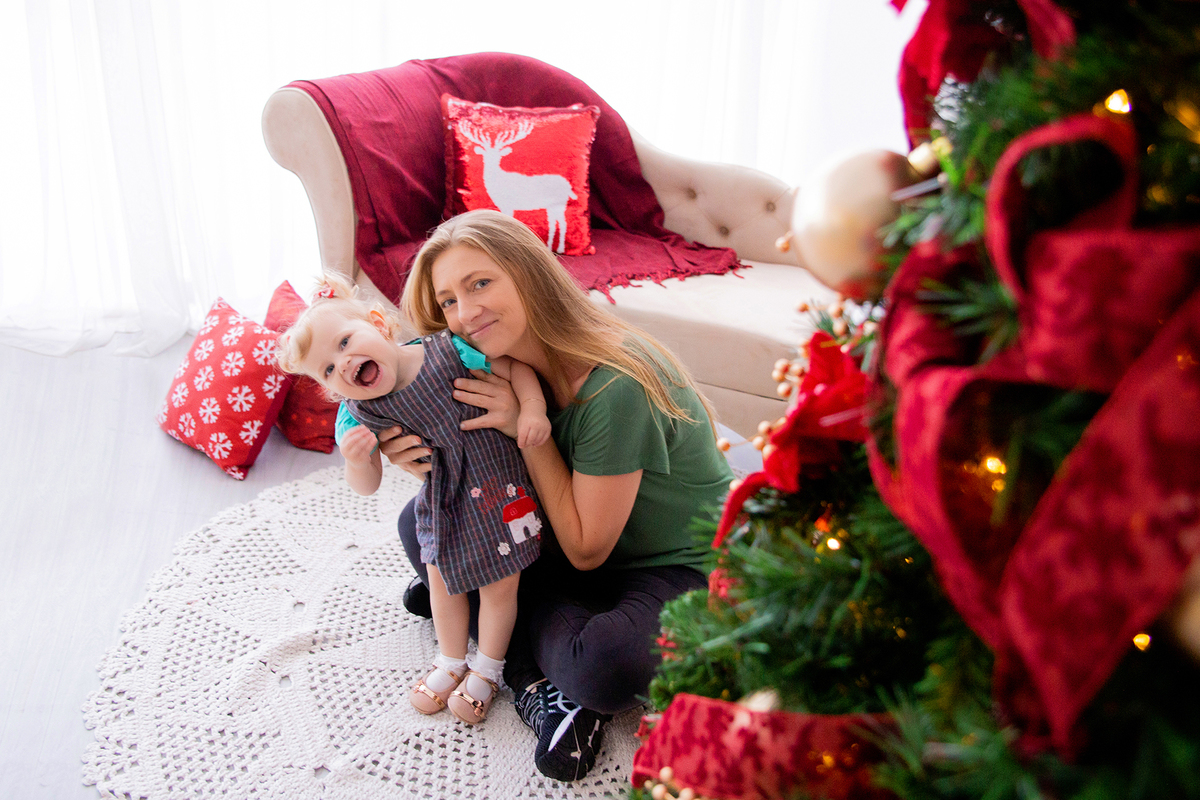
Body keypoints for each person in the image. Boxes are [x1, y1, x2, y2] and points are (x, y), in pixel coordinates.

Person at [379, 209, 735, 781]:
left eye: (480, 283)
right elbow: (471, 467)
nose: (465, 313)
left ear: (529, 273)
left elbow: (586, 549)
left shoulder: (614, 384)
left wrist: (526, 428)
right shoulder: (501, 366)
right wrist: (414, 455)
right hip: (568, 540)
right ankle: (532, 671)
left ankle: (516, 652)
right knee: (420, 522)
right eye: (448, 301)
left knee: (603, 666)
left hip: (671, 560)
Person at [275, 274, 551, 725]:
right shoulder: (357, 413)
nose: (342, 364)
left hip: (497, 494)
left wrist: (533, 408)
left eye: (345, 342)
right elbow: (366, 485)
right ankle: (450, 661)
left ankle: (488, 670)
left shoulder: (447, 351)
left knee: (500, 588)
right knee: (442, 583)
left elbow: (514, 368)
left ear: (379, 322)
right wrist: (357, 460)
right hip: (442, 505)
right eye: (326, 369)